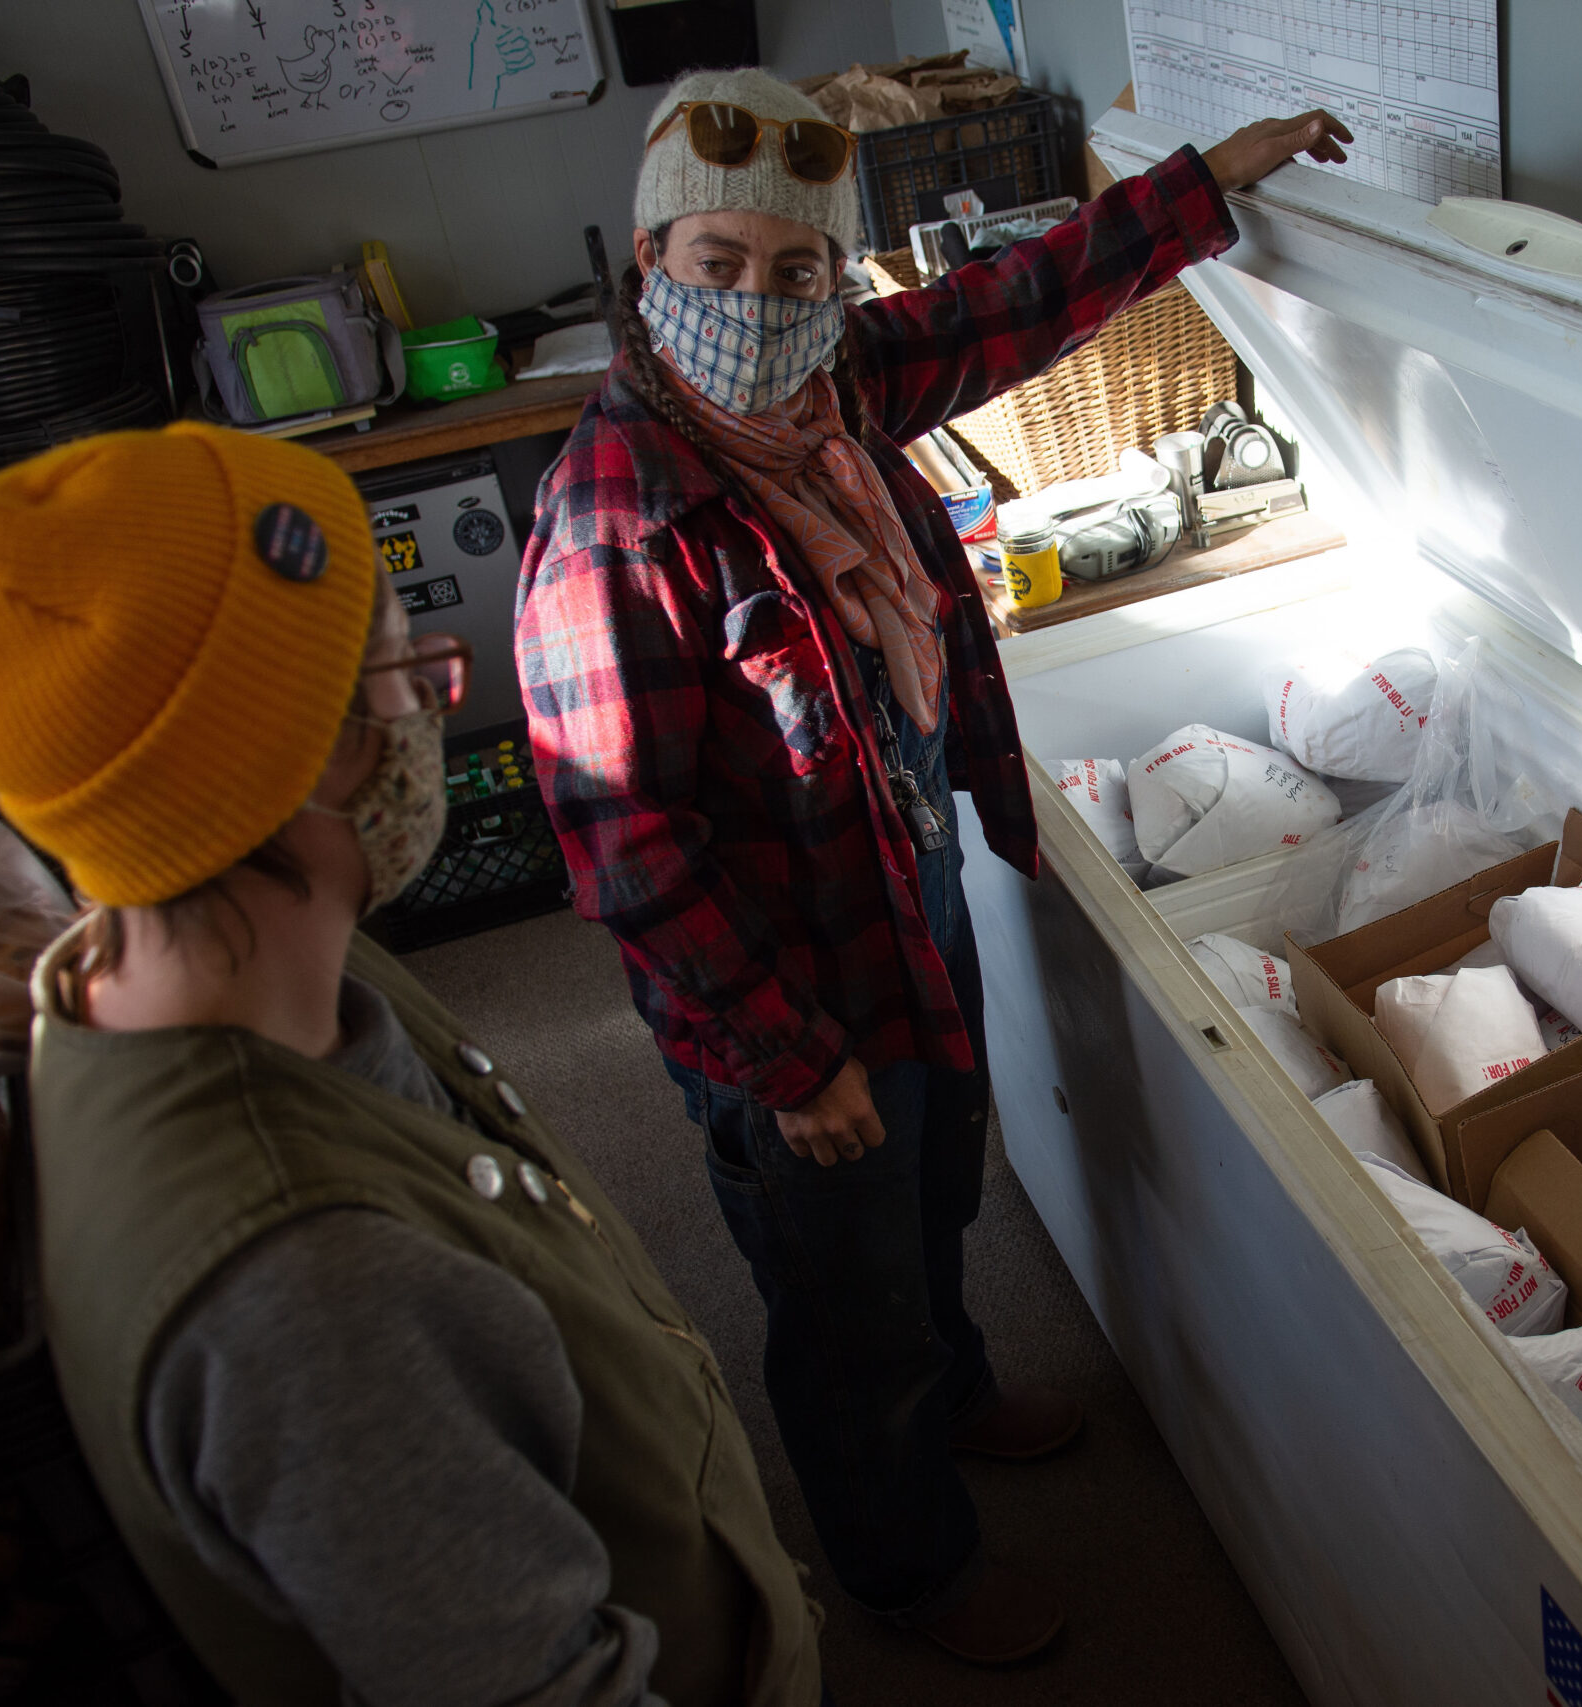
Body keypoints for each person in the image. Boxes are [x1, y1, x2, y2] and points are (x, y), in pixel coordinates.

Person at [516, 67, 1350, 1663]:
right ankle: (906, 1567)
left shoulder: (822, 393)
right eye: (718, 265)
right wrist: (783, 1060)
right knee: (840, 1303)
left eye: (797, 269)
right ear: (650, 267)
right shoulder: (619, 518)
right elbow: (632, 858)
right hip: (782, 988)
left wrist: (1205, 179)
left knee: (928, 1190)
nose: (757, 305)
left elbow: (1009, 304)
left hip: (891, 889)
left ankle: (955, 1380)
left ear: (834, 281)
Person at [0, 422, 830, 1707]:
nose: (435, 698)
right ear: (308, 748)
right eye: (407, 664)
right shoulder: (303, 1288)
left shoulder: (246, 969)